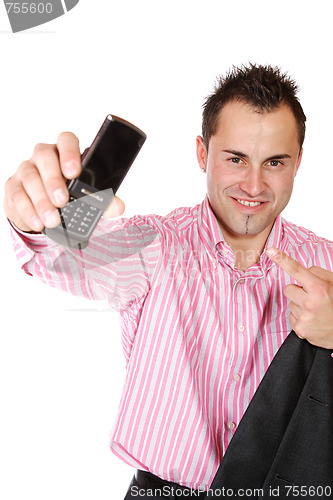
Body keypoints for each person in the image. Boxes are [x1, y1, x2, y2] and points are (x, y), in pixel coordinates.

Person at [4, 64, 333, 498]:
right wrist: (32, 218)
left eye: (274, 162)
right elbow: (59, 260)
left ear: (298, 162)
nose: (254, 185)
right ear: (202, 154)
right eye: (235, 159)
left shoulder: (326, 264)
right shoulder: (153, 247)